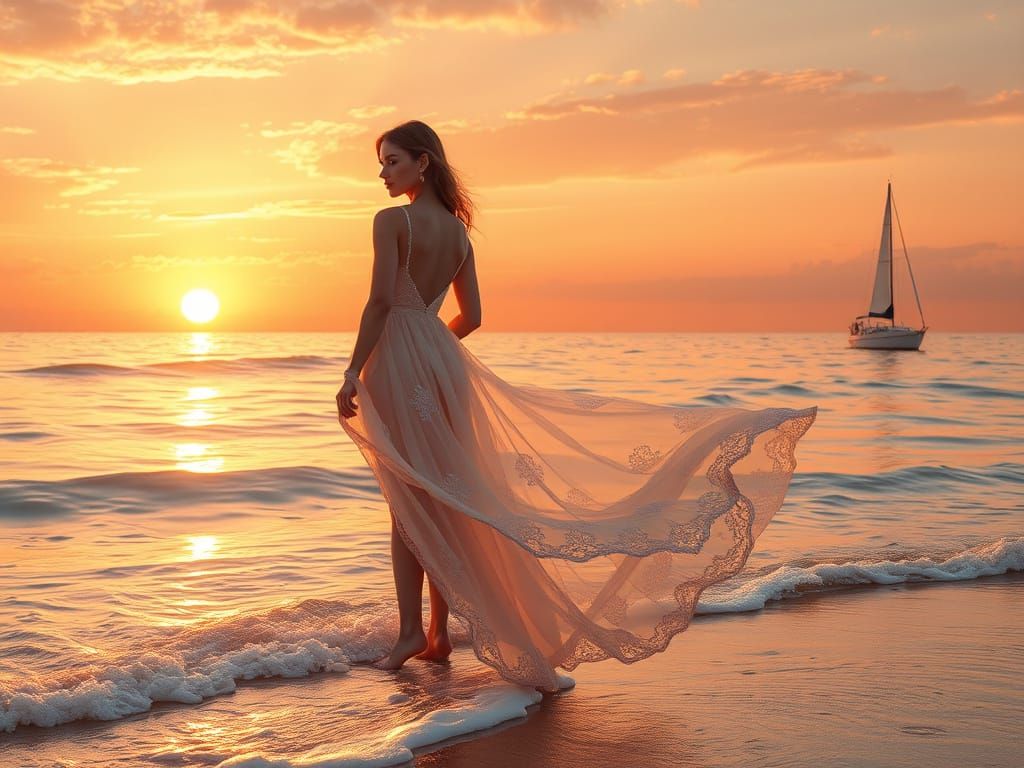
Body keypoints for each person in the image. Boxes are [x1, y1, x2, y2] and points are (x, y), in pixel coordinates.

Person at [337, 120, 817, 692]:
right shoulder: (461, 235)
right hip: (441, 367)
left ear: (423, 162)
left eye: (391, 161)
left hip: (396, 363)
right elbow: (474, 317)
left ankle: (411, 632)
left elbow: (381, 301)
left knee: (408, 501)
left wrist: (354, 368)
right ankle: (438, 634)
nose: (383, 173)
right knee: (449, 499)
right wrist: (437, 353)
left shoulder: (392, 222)